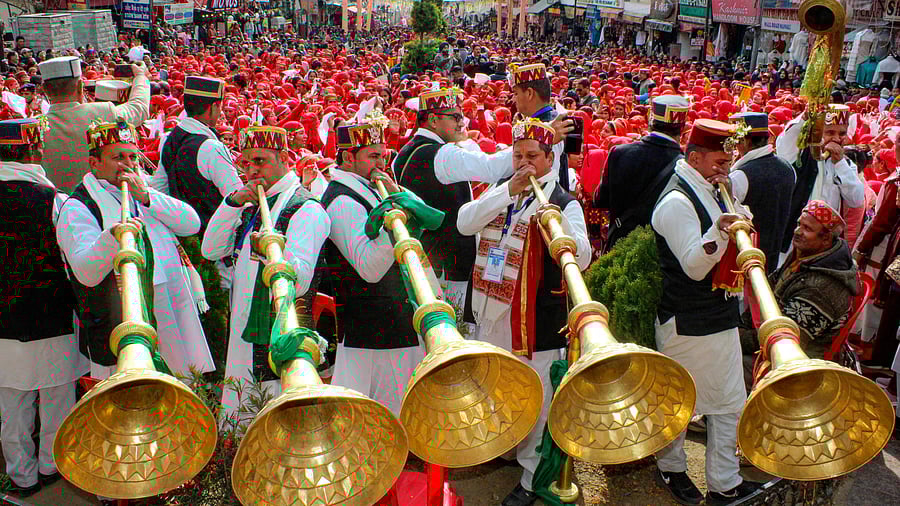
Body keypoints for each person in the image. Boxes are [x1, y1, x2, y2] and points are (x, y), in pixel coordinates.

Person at [457, 118, 591, 506]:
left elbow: (582, 256)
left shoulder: (565, 201)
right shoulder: (503, 189)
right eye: (517, 156)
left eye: (532, 156)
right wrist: (506, 192)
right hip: (491, 313)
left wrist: (554, 221)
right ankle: (507, 446)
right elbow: (465, 223)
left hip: (535, 322)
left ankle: (532, 477)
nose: (523, 163)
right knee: (497, 387)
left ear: (550, 158)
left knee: (538, 397)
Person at [395, 86, 567, 331]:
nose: (462, 122)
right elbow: (491, 168)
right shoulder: (442, 153)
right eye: (455, 116)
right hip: (449, 266)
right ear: (433, 120)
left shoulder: (404, 152)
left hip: (426, 258)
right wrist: (541, 138)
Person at [651, 119, 759, 505]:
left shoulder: (709, 186)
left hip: (715, 316)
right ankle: (672, 468)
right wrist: (720, 231)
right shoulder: (677, 202)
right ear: (694, 158)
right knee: (680, 405)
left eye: (729, 161)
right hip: (688, 321)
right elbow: (694, 267)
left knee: (728, 403)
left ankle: (724, 483)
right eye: (719, 161)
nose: (725, 169)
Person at [55, 119, 214, 380]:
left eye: (132, 157)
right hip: (118, 317)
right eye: (118, 157)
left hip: (166, 305)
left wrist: (148, 197)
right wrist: (115, 236)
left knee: (178, 380)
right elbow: (86, 273)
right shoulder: (77, 207)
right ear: (94, 163)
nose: (128, 165)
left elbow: (191, 223)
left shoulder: (143, 190)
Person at [202, 125, 330, 424]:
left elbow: (299, 281)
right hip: (243, 333)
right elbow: (211, 249)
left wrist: (268, 251)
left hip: (279, 336)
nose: (251, 170)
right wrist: (232, 203)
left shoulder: (305, 208)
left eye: (260, 161)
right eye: (245, 163)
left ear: (285, 158)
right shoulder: (251, 203)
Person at [0, 118, 89, 498]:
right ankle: (51, 466)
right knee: (57, 399)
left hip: (3, 321)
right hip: (52, 314)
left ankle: (21, 475)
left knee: (11, 405)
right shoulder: (56, 201)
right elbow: (76, 262)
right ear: (34, 151)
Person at [320, 117, 429, 416]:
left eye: (384, 155)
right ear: (348, 158)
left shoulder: (368, 187)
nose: (381, 164)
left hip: (391, 325)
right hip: (371, 333)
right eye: (373, 156)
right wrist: (395, 222)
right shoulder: (341, 201)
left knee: (399, 414)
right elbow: (369, 268)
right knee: (379, 418)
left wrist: (397, 195)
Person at [41, 56, 150, 193]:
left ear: (44, 90)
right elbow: (139, 108)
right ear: (80, 86)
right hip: (104, 202)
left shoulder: (36, 127)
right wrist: (141, 76)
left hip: (56, 204)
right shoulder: (103, 111)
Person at [594, 95, 688, 250]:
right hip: (659, 252)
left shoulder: (619, 152)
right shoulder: (684, 166)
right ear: (682, 128)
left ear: (651, 122)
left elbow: (600, 200)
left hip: (619, 245)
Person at [776, 104, 865, 263]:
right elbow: (783, 145)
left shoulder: (846, 164)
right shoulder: (799, 155)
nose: (836, 139)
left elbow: (856, 200)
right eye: (830, 132)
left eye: (841, 133)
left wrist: (840, 164)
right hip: (792, 237)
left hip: (823, 243)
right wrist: (804, 118)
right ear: (817, 132)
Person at [151, 76, 241, 231]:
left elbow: (159, 188)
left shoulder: (170, 138)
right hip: (210, 235)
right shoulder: (212, 147)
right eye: (220, 106)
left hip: (179, 234)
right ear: (214, 106)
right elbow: (236, 196)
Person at [768, 201, 857, 348]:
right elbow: (769, 286)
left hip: (799, 354)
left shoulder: (822, 289)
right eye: (799, 224)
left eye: (807, 228)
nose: (797, 231)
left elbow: (784, 340)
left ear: (826, 239)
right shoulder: (804, 255)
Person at [728, 112, 796, 273]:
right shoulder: (788, 168)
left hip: (745, 257)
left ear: (745, 141)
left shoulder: (741, 176)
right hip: (776, 253)